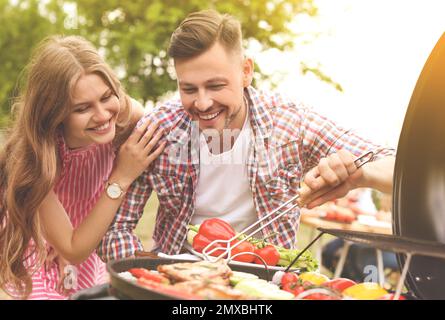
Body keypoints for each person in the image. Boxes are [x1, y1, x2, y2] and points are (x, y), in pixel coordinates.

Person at [98, 9, 396, 261]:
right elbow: (115, 229)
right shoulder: (159, 129)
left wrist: (361, 173)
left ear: (246, 72)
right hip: (176, 283)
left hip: (264, 284)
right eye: (189, 89)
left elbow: (398, 166)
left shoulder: (289, 123)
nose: (202, 103)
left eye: (216, 86)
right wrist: (147, 275)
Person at [0, 35, 165, 299]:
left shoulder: (124, 116)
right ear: (55, 113)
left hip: (87, 235)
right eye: (81, 108)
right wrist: (121, 176)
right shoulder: (35, 154)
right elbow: (72, 248)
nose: (102, 115)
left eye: (106, 97)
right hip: (40, 241)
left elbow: (164, 134)